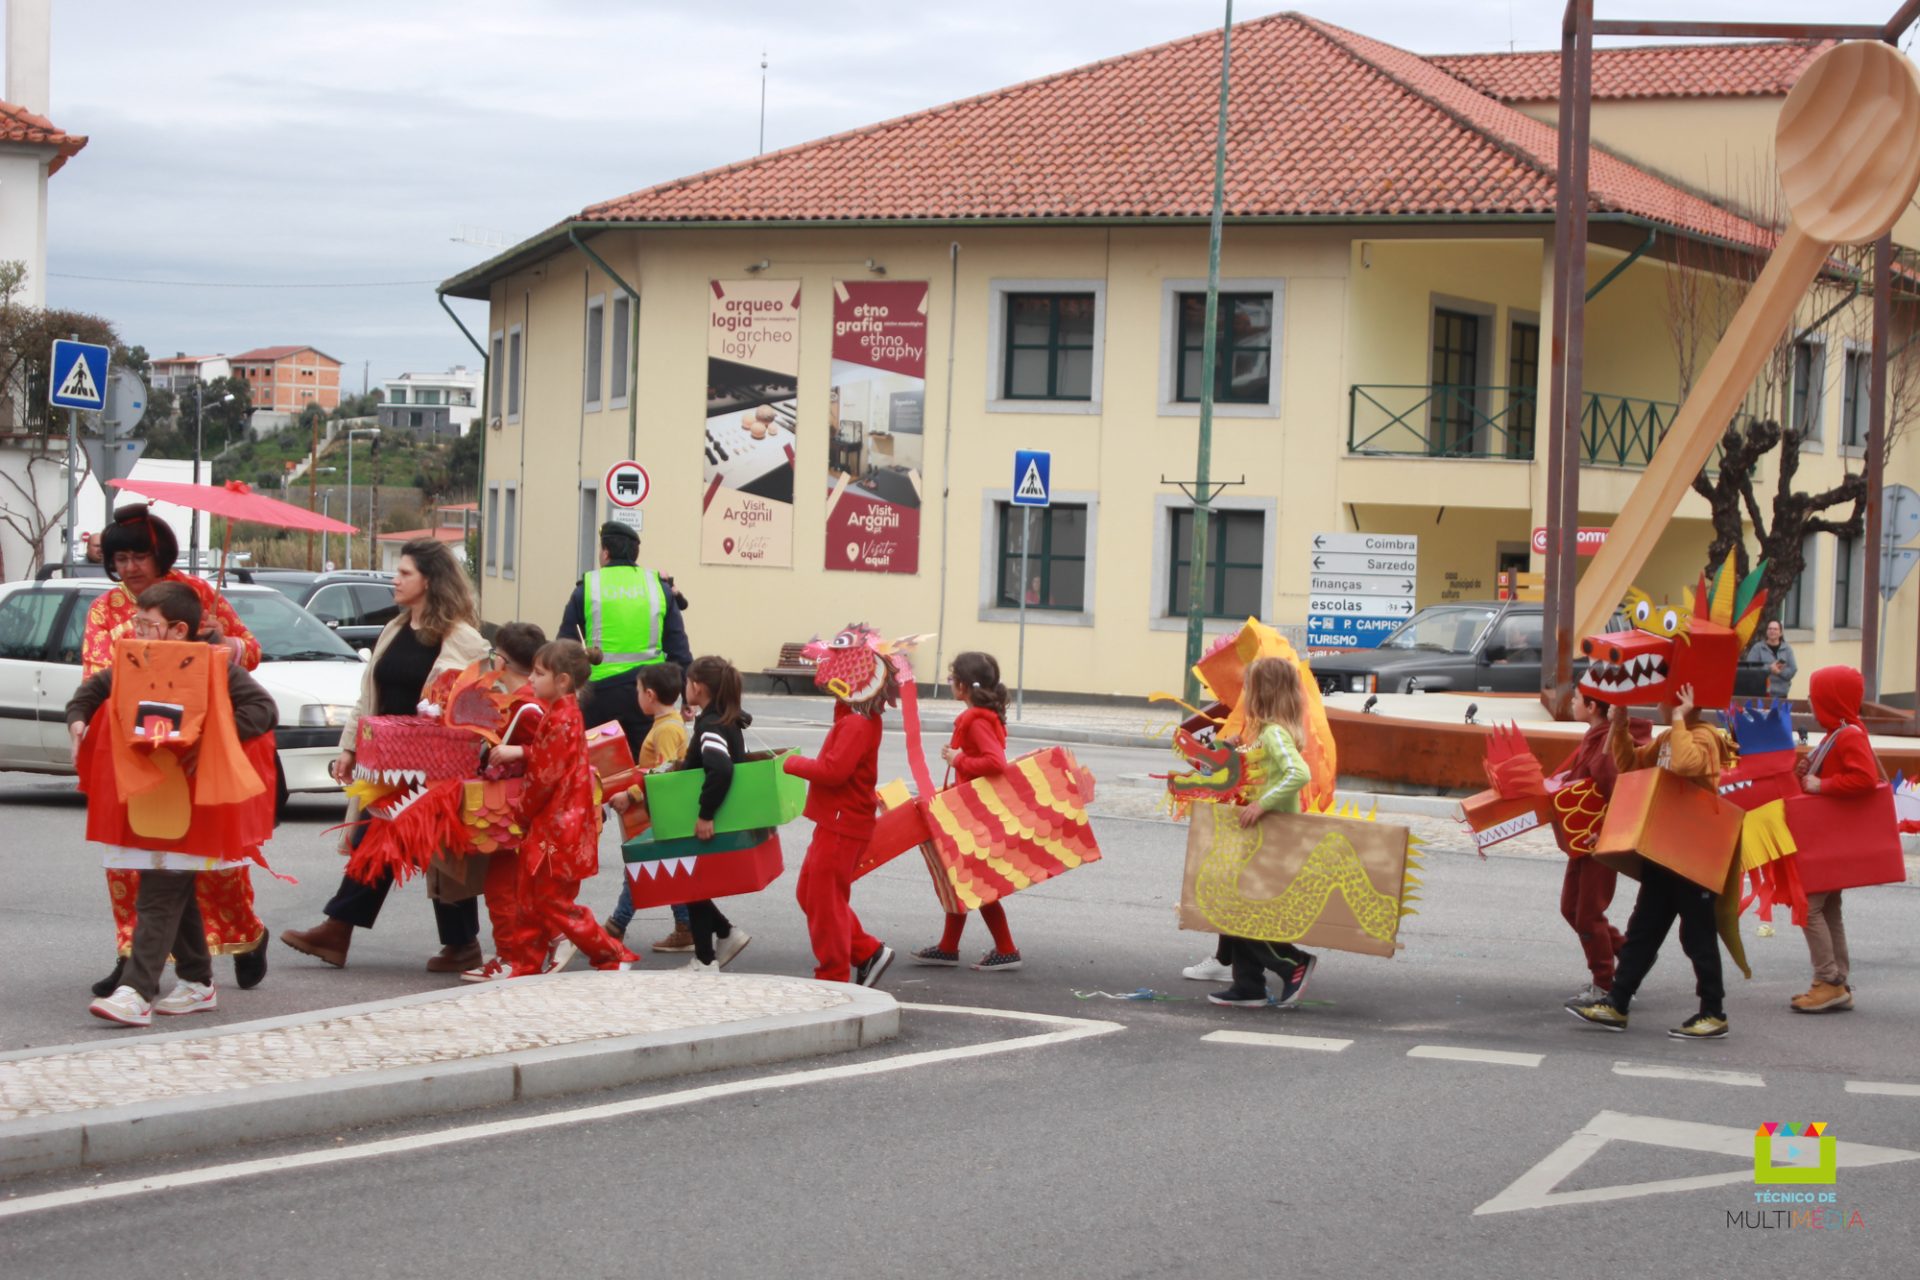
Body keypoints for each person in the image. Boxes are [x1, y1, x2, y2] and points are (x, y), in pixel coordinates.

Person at [81, 504, 270, 999]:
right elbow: (99, 674)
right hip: (140, 747)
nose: (130, 568)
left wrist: (222, 642)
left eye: (139, 556)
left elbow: (250, 650)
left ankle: (243, 935)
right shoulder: (104, 610)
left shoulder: (198, 595)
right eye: (120, 559)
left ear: (159, 554)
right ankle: (135, 958)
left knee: (214, 869)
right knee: (137, 865)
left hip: (200, 749)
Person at [280, 540, 490, 971]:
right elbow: (367, 697)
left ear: (429, 581)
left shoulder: (462, 638)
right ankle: (460, 943)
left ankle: (338, 929)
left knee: (390, 843)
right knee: (409, 846)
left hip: (435, 767)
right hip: (386, 763)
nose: (395, 580)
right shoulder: (394, 629)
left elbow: (475, 705)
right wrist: (349, 747)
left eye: (405, 573)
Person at [1568, 683, 1734, 1039]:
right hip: (1663, 851)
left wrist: (1680, 719)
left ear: (1683, 703)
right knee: (1643, 930)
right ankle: (1617, 1003)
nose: (1659, 705)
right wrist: (1620, 726)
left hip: (1693, 856)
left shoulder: (1705, 737)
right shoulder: (1669, 738)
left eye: (1666, 700)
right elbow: (1631, 767)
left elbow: (1686, 765)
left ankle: (1713, 1012)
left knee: (1698, 937)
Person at [485, 640, 638, 974]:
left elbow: (543, 777)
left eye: (539, 673)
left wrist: (522, 813)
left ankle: (609, 952)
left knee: (549, 900)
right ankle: (525, 966)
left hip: (555, 828)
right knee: (530, 898)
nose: (531, 679)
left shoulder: (560, 719)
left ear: (563, 680)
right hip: (558, 825)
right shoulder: (562, 715)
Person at [1207, 657, 1319, 1009]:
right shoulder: (1267, 734)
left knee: (1241, 910)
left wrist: (1262, 805)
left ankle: (1292, 962)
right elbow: (1262, 768)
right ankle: (1248, 984)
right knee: (1234, 907)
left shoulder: (1274, 733)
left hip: (1273, 839)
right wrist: (1237, 750)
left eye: (1250, 687)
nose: (1245, 693)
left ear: (1263, 693)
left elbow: (1298, 773)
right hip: (1260, 837)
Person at [784, 656, 894, 987]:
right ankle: (866, 951)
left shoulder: (856, 724)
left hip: (842, 825)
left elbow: (833, 771)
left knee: (824, 900)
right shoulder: (858, 719)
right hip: (838, 822)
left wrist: (792, 763)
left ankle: (833, 973)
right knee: (811, 894)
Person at [911, 652, 1023, 972]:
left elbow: (995, 762)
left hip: (975, 812)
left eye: (951, 679)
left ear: (962, 685)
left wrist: (958, 759)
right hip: (972, 808)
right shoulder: (981, 717)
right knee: (959, 877)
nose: (950, 684)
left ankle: (1006, 948)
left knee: (976, 880)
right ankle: (949, 947)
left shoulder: (975, 721)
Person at [457, 622, 550, 982]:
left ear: (502, 660)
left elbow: (551, 753)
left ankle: (514, 957)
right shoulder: (535, 698)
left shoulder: (524, 705)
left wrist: (515, 752)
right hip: (529, 811)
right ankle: (526, 951)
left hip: (516, 810)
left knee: (502, 886)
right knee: (518, 885)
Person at [558, 522, 693, 754]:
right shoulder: (657, 588)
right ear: (635, 553)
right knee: (647, 763)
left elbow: (564, 648)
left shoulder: (588, 588)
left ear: (606, 552)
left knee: (600, 763)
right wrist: (687, 698)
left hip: (599, 696)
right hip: (648, 694)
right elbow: (679, 649)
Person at [1790, 666, 1878, 1013]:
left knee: (1808, 908)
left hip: (1829, 841)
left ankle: (1827, 981)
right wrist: (1809, 772)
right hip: (1833, 839)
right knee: (1829, 909)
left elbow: (1864, 779)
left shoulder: (1847, 735)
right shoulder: (1839, 733)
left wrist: (1821, 785)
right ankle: (1838, 981)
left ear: (1831, 699)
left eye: (1816, 695)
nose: (1811, 701)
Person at [603, 661, 693, 950]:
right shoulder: (669, 723)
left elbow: (664, 770)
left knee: (641, 866)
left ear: (650, 695)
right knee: (663, 868)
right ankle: (685, 927)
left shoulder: (666, 729)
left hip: (661, 812)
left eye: (639, 690)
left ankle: (615, 927)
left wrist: (631, 795)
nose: (637, 696)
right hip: (663, 811)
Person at [675, 656, 754, 972]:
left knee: (691, 883)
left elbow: (720, 769)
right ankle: (718, 941)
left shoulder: (710, 725)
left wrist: (706, 813)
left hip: (711, 817)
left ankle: (710, 953)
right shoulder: (726, 718)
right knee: (693, 884)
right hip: (722, 815)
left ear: (698, 687)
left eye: (687, 681)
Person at [1558, 689, 1631, 1008]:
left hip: (1598, 840)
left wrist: (1603, 830)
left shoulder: (1607, 743)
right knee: (1570, 908)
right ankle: (1630, 954)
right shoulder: (1594, 737)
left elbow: (1618, 792)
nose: (1572, 703)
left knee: (1588, 914)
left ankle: (1604, 984)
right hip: (1581, 838)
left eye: (1577, 699)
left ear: (1592, 706)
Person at [1746, 619, 1797, 701]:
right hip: (1762, 694)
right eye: (1770, 629)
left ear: (1780, 633)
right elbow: (1750, 668)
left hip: (1782, 694)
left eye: (1775, 629)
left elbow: (1793, 669)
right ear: (1766, 631)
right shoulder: (1758, 648)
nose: (1772, 631)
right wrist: (1769, 669)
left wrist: (1779, 672)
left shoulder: (1787, 649)